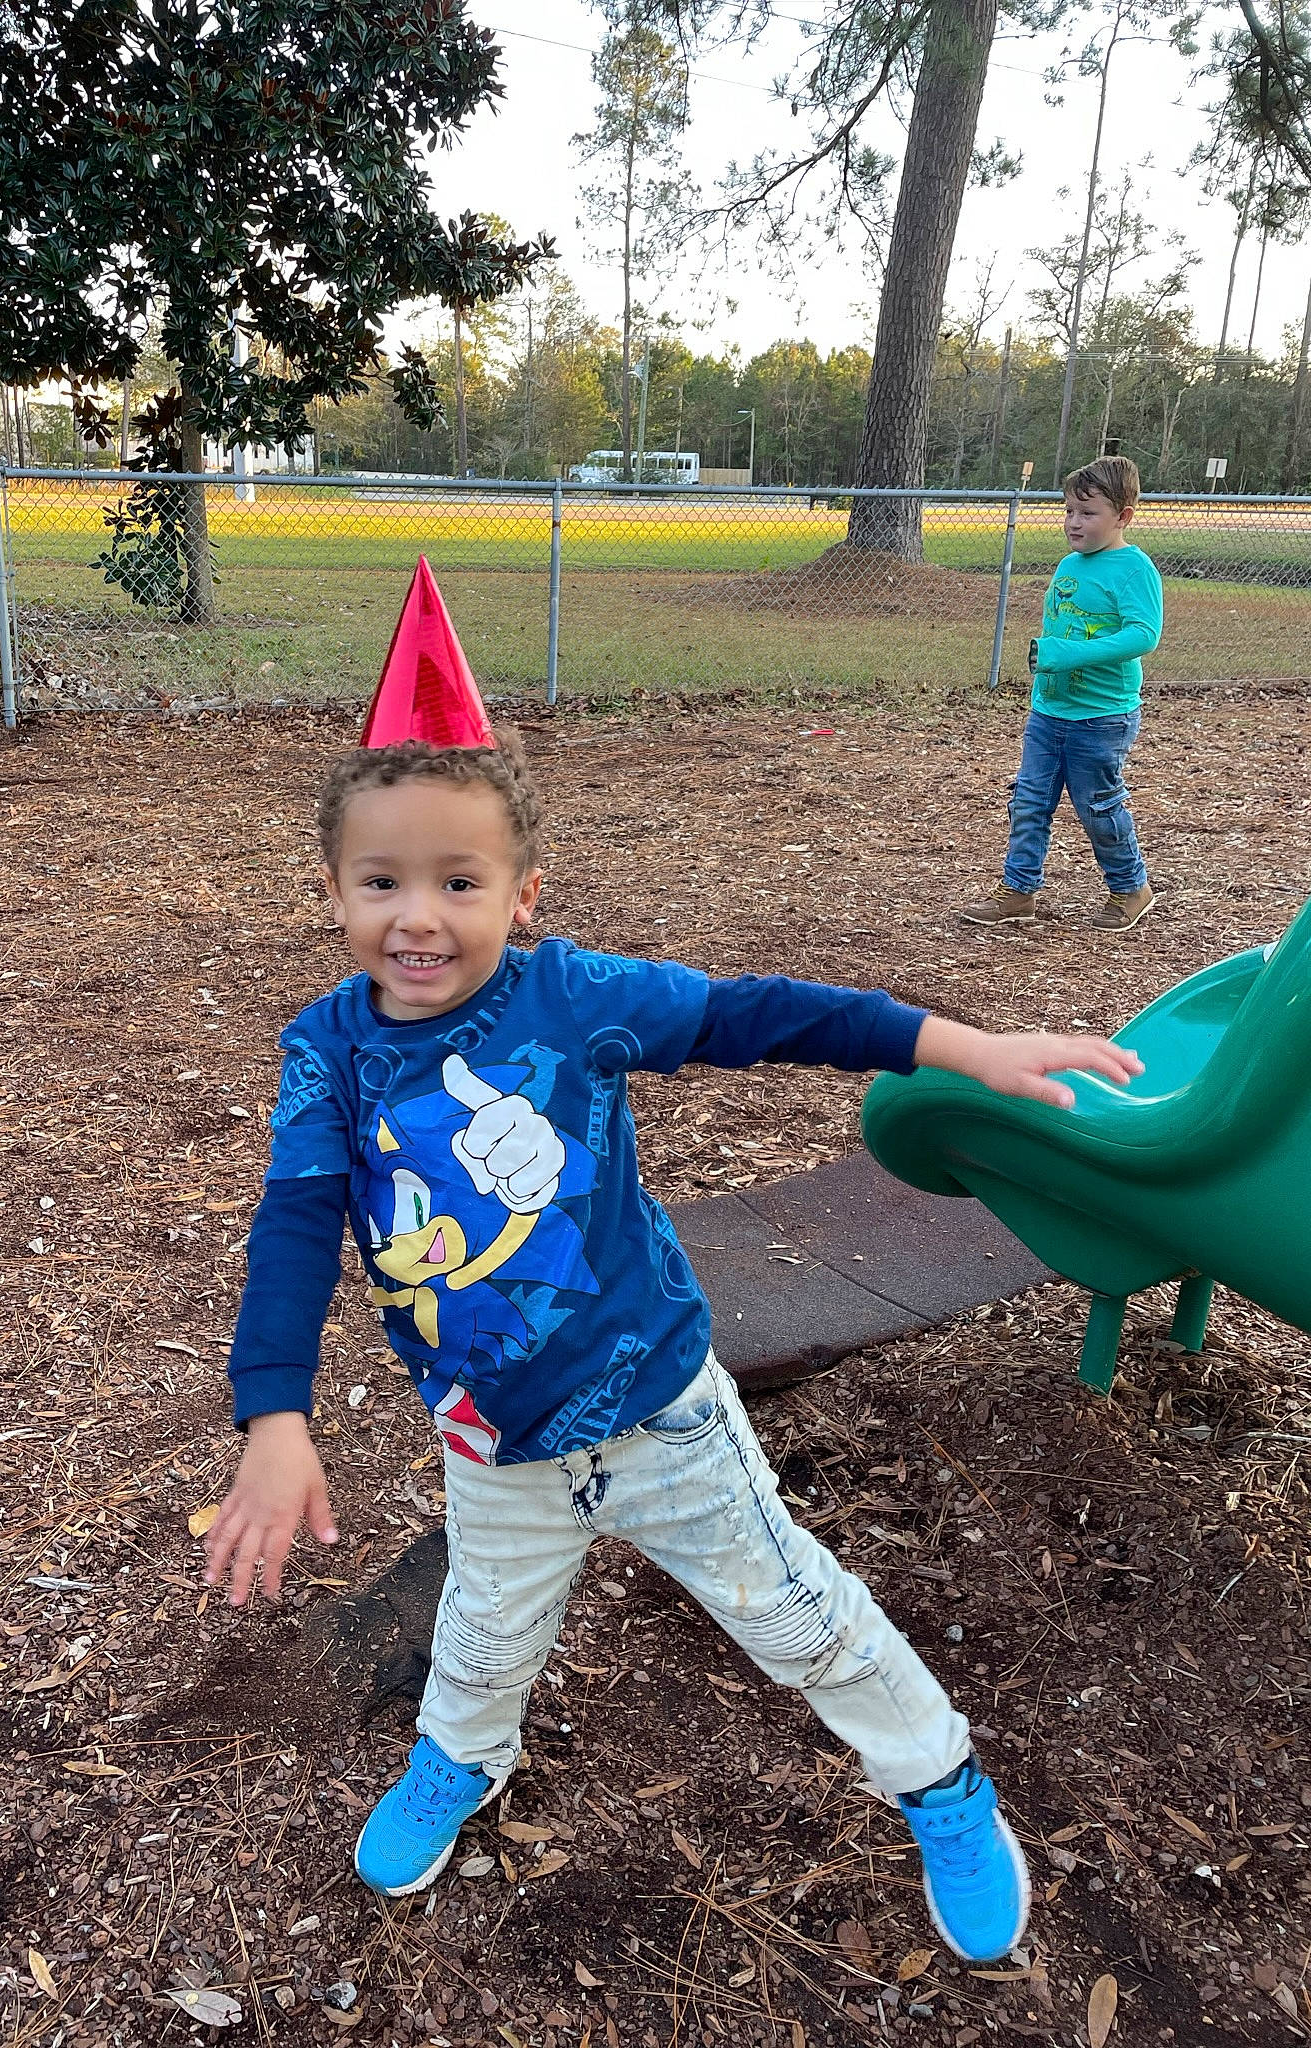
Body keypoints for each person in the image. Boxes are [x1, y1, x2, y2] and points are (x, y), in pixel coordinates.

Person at [202, 562, 1143, 1966]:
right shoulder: (325, 1049)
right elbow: (292, 1221)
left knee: (797, 1615)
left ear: (523, 894)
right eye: (383, 880)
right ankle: (463, 1756)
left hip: (657, 1408)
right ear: (332, 888)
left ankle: (939, 1777)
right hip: (491, 1431)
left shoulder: (578, 997)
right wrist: (274, 1417)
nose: (419, 915)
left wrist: (968, 1047)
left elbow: (771, 1015)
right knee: (480, 1627)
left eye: (459, 881)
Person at [960, 454, 1162, 934]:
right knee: (1029, 801)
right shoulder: (1071, 564)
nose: (1074, 521)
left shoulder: (1134, 569)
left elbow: (1144, 635)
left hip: (1101, 717)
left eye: (1088, 513)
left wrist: (1068, 655)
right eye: (1069, 510)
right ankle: (1018, 891)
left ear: (1123, 517)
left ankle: (1131, 887)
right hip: (1049, 712)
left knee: (1098, 808)